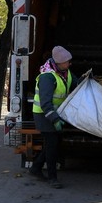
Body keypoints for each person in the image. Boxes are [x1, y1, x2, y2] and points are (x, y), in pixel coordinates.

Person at [26, 45, 77, 189]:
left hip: (53, 114)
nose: (69, 64)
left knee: (52, 144)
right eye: (67, 62)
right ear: (59, 63)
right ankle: (52, 178)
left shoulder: (65, 73)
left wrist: (86, 80)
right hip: (44, 115)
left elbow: (75, 83)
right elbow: (45, 103)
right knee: (52, 145)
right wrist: (54, 119)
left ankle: (35, 168)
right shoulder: (47, 77)